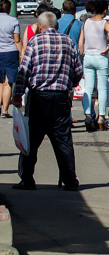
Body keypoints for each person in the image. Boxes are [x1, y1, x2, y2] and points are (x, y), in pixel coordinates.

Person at [10, 11, 84, 191]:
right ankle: (70, 180)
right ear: (56, 26)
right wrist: (68, 85)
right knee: (63, 139)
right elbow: (78, 71)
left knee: (32, 140)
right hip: (61, 98)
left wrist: (18, 94)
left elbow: (24, 70)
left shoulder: (35, 42)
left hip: (39, 97)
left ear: (40, 27)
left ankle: (27, 179)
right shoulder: (68, 42)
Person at [79, 0, 109, 132]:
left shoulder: (87, 22)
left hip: (88, 57)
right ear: (105, 11)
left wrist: (82, 52)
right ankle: (101, 117)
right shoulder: (104, 23)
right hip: (101, 57)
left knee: (88, 88)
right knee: (102, 89)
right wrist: (108, 47)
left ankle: (88, 115)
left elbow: (81, 40)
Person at [0, 0, 21, 117]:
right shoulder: (13, 20)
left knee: (0, 82)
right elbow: (16, 39)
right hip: (10, 52)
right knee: (8, 81)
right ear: (9, 8)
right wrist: (22, 52)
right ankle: (5, 110)